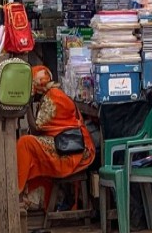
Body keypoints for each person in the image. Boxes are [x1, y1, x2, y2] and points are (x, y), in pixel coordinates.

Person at [17, 65, 95, 207]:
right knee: (29, 145)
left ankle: (19, 194)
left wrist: (27, 105)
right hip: (66, 143)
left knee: (25, 143)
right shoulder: (52, 94)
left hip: (74, 151)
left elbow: (36, 128)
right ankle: (24, 195)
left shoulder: (53, 97)